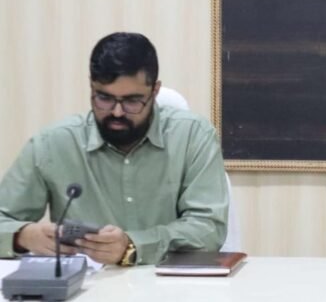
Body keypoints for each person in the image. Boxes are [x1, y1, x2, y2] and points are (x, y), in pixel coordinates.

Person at [0, 32, 228, 265]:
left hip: (166, 281)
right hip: (84, 283)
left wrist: (133, 246)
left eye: (132, 101)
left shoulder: (192, 136)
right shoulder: (53, 143)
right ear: (91, 86)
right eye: (104, 98)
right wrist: (21, 236)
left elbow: (208, 229)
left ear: (155, 91)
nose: (117, 112)